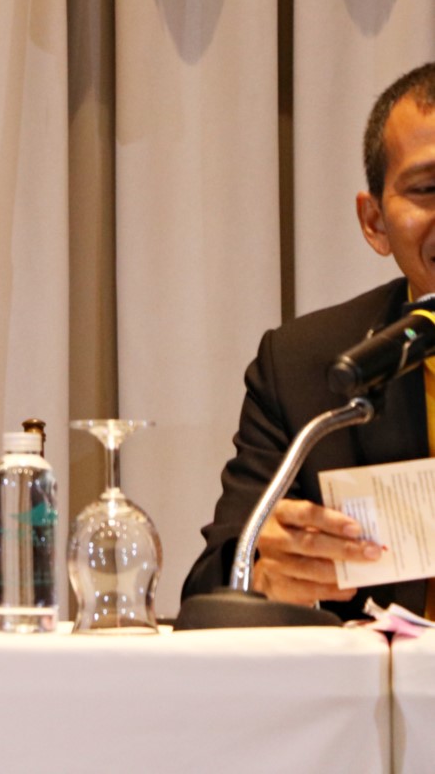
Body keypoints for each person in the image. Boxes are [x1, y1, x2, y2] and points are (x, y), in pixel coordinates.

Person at [183, 63, 435, 618]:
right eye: (427, 189)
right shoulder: (310, 367)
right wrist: (266, 573)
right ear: (375, 222)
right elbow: (210, 594)